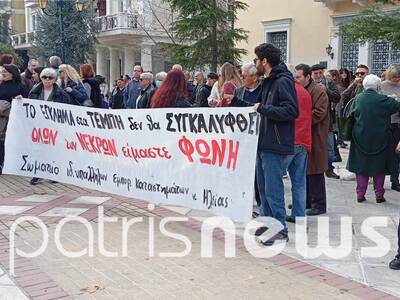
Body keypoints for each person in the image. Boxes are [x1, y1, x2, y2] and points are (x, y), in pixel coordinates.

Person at [253, 43, 299, 245]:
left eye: (257, 59)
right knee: (262, 189)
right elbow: (259, 107)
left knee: (273, 191)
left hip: (276, 144)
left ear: (265, 61)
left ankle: (280, 230)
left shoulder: (282, 81)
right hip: (263, 143)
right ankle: (266, 223)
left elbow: (291, 111)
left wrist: (263, 109)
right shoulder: (268, 81)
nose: (255, 63)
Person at [347, 74, 400, 203]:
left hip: (360, 136)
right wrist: (393, 98)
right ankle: (379, 194)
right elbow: (397, 106)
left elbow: (351, 114)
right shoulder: (383, 100)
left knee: (361, 166)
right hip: (381, 137)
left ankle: (360, 193)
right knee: (379, 166)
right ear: (378, 86)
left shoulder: (358, 98)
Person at [295, 64, 330, 216]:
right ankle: (307, 201)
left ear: (307, 77)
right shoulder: (301, 89)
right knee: (305, 170)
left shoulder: (318, 90)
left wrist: (301, 120)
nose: (296, 80)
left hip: (315, 135)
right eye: (295, 77)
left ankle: (319, 204)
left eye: (298, 77)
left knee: (315, 170)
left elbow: (319, 112)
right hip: (304, 135)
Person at [28, 68, 71, 185]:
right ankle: (37, 173)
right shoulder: (34, 92)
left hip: (54, 127)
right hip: (38, 126)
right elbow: (28, 107)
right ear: (41, 78)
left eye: (50, 78)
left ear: (54, 80)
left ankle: (53, 173)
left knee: (53, 150)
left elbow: (66, 110)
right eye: (44, 77)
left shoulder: (61, 94)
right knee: (38, 150)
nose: (47, 80)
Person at [285, 80, 312, 222]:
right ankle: (299, 214)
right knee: (299, 182)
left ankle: (274, 217)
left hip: (287, 140)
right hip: (303, 140)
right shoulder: (304, 92)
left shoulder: (285, 89)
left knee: (274, 180)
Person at [311, 64, 341, 179]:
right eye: (316, 73)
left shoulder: (329, 83)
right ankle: (316, 169)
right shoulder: (309, 84)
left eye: (320, 73)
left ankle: (329, 168)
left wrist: (326, 90)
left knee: (329, 148)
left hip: (327, 121)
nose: (318, 75)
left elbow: (337, 97)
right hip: (313, 121)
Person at [0, 64, 28, 172]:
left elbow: (26, 102)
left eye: (5, 72)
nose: (3, 73)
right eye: (2, 72)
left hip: (14, 120)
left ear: (12, 73)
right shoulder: (1, 85)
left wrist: (21, 99)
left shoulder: (20, 86)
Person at [381, 64, 400, 192]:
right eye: (394, 77)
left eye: (398, 77)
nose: (396, 79)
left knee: (397, 154)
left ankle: (395, 180)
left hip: (398, 122)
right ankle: (381, 181)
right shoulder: (382, 86)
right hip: (386, 123)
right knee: (386, 153)